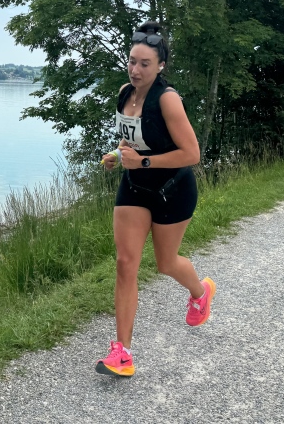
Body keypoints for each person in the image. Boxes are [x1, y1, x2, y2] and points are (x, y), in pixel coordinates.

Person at [96, 21, 215, 377]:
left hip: (172, 189)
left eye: (144, 64)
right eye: (132, 61)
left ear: (160, 66)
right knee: (125, 263)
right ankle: (122, 354)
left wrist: (144, 162)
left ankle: (200, 292)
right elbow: (131, 139)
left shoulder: (167, 99)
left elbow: (192, 153)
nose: (135, 70)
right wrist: (117, 155)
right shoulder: (124, 93)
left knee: (166, 263)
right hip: (135, 187)